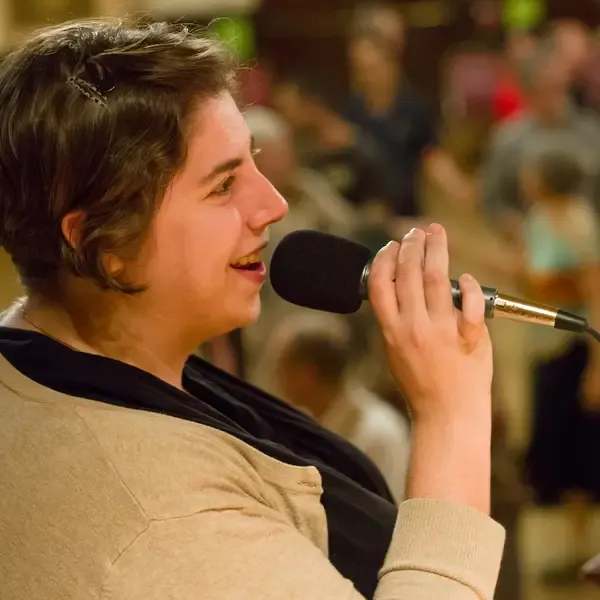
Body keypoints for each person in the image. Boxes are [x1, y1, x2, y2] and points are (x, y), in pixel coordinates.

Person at [0, 19, 504, 600]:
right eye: (222, 186)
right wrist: (452, 415)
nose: (273, 205)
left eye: (255, 161)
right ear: (104, 244)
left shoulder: (51, 356)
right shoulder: (165, 526)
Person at [518, 137, 600, 584]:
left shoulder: (578, 222)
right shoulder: (538, 217)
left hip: (572, 349)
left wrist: (597, 366)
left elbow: (593, 291)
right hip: (544, 348)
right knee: (555, 450)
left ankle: (585, 551)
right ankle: (573, 552)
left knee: (582, 451)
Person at [271, 314, 410, 503]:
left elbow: (386, 515)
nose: (276, 376)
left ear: (308, 373)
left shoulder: (378, 434)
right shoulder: (306, 424)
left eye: (282, 366)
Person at [344, 28, 476, 221]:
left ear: (391, 65)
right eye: (361, 70)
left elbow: (431, 156)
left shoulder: (412, 108)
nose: (368, 77)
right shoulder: (350, 112)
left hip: (408, 216)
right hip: (366, 220)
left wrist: (460, 190)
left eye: (373, 69)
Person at [481, 36, 600, 242]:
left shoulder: (591, 131)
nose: (556, 98)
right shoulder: (509, 138)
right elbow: (494, 202)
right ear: (529, 92)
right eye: (546, 89)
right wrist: (527, 232)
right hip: (533, 250)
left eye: (559, 89)